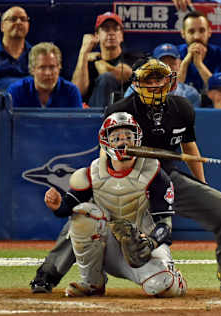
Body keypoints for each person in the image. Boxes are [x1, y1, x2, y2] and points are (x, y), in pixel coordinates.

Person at [29, 57, 221, 295]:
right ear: (137, 84)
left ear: (169, 82)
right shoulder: (119, 111)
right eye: (149, 79)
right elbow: (105, 152)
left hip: (166, 178)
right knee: (82, 217)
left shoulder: (182, 108)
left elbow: (190, 149)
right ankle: (47, 274)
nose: (155, 84)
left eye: (159, 78)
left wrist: (202, 185)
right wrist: (104, 183)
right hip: (123, 179)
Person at [42, 112, 187, 297]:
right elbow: (67, 209)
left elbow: (165, 226)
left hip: (143, 248)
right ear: (105, 141)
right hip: (107, 247)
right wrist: (57, 205)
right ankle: (92, 283)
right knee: (83, 213)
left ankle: (176, 280)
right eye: (116, 137)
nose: (123, 142)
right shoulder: (93, 172)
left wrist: (149, 243)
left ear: (137, 140)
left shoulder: (154, 173)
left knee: (163, 287)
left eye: (129, 136)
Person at [71, 12, 135, 108]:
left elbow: (124, 74)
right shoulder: (87, 63)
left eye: (115, 29)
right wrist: (83, 53)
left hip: (124, 115)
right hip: (93, 115)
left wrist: (100, 62)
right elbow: (77, 92)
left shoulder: (132, 59)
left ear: (121, 35)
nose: (111, 33)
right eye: (106, 29)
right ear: (97, 35)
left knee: (106, 78)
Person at [124, 43, 201, 107]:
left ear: (179, 64)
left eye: (172, 63)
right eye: (162, 64)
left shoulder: (190, 93)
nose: (167, 68)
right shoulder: (136, 89)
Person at [7, 42, 82, 108]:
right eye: (42, 68)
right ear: (32, 69)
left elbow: (78, 123)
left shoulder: (71, 92)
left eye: (52, 67)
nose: (48, 73)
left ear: (59, 68)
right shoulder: (16, 91)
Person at [178, 11, 221, 92]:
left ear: (209, 32)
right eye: (191, 31)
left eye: (202, 31)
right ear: (183, 34)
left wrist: (199, 65)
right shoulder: (174, 54)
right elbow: (170, 92)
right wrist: (185, 63)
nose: (197, 37)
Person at [0, 6, 31, 91]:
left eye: (23, 19)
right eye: (13, 19)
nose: (19, 22)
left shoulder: (37, 55)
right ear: (2, 26)